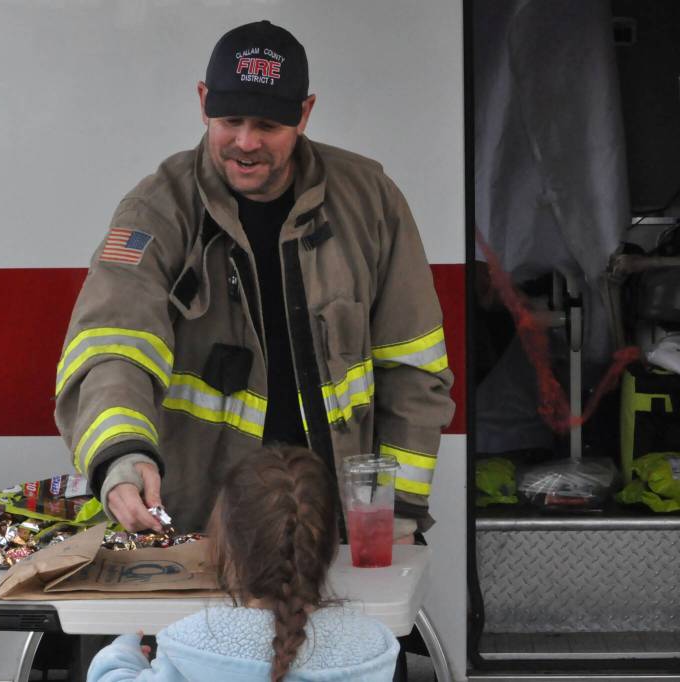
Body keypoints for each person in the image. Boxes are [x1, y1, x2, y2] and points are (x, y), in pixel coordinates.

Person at [55, 19, 453, 538]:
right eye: (231, 119)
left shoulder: (371, 202)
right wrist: (123, 457)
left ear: (305, 114)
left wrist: (394, 510)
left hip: (334, 528)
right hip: (203, 529)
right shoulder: (155, 212)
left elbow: (413, 369)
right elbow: (112, 347)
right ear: (203, 101)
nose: (246, 142)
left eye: (267, 125)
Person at [86, 445, 399, 681]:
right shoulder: (371, 647)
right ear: (331, 547)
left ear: (225, 546)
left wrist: (118, 658)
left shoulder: (190, 645)